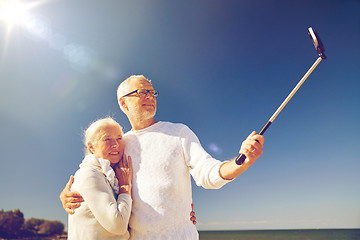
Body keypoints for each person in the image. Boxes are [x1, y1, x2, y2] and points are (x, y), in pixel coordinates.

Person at [61, 75, 264, 239]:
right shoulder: (120, 143)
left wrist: (241, 162)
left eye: (152, 92)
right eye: (142, 92)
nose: (150, 96)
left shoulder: (179, 132)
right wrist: (67, 194)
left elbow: (207, 172)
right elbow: (96, 174)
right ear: (123, 103)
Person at [67, 117, 132, 240]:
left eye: (119, 138)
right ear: (92, 147)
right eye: (107, 139)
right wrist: (125, 187)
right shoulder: (88, 174)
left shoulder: (111, 175)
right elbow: (117, 225)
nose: (115, 145)